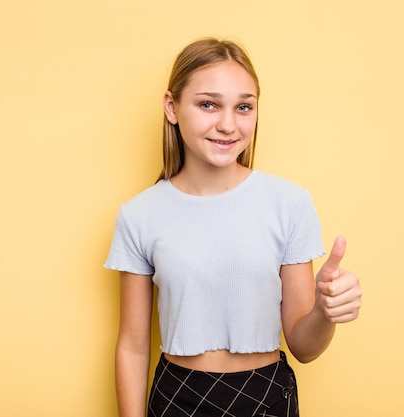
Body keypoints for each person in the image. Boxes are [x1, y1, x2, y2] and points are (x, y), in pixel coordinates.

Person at [104, 38, 362, 417]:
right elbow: (132, 346)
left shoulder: (289, 203)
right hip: (176, 398)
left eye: (243, 107)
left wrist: (325, 312)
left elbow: (304, 348)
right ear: (172, 107)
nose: (227, 125)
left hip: (267, 397)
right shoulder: (139, 214)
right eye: (208, 104)